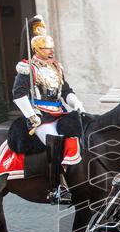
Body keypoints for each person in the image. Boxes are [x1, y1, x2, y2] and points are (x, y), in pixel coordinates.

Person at [11, 16, 85, 204]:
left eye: (51, 48)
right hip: (41, 115)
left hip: (59, 111)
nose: (51, 51)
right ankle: (55, 189)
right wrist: (31, 115)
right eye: (46, 48)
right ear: (37, 49)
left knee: (82, 133)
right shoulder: (28, 69)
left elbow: (65, 90)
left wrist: (75, 103)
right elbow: (18, 94)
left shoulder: (56, 67)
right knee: (55, 142)